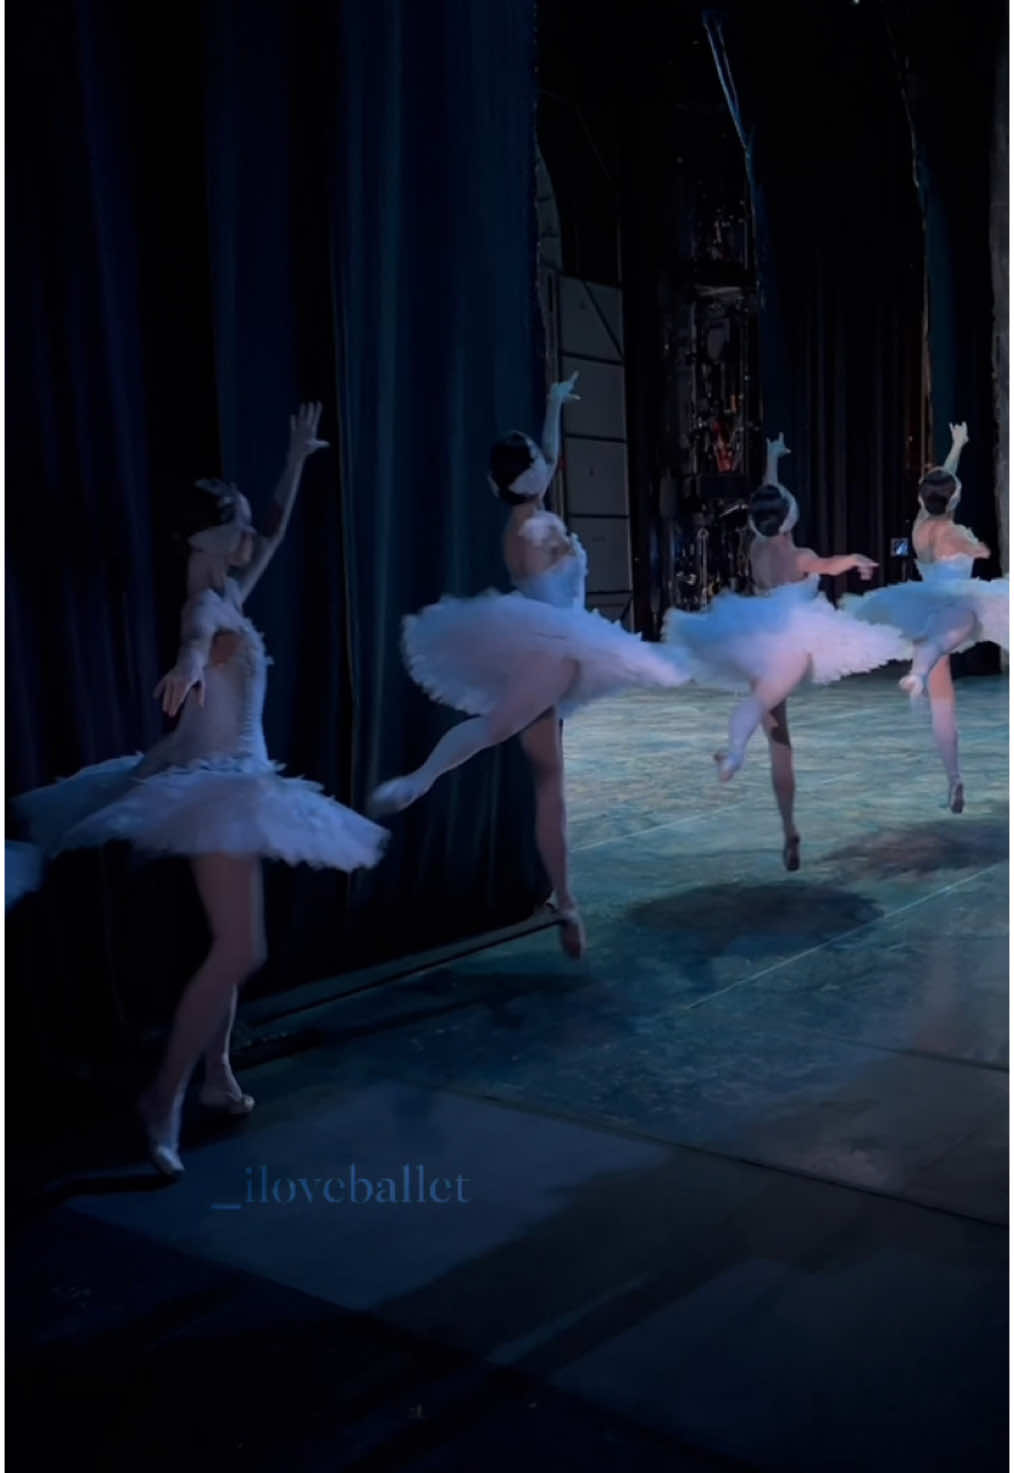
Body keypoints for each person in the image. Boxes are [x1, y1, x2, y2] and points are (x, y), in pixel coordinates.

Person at [13, 404, 388, 1175]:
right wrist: (186, 668)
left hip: (237, 780)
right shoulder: (205, 607)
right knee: (240, 945)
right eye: (236, 523)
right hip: (215, 787)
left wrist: (294, 459)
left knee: (229, 945)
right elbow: (191, 640)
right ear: (200, 537)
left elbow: (277, 532)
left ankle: (215, 1075)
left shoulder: (231, 594)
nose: (250, 532)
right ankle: (164, 1097)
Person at [370, 374, 690, 956]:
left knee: (551, 784)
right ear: (522, 481)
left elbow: (549, 459)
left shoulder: (532, 509)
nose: (549, 462)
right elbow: (544, 524)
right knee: (499, 729)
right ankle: (421, 779)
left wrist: (551, 405)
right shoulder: (529, 526)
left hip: (557, 644)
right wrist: (554, 530)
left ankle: (566, 900)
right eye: (537, 463)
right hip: (549, 646)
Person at [663, 433, 905, 869]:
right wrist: (855, 558)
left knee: (775, 734)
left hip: (758, 639)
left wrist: (772, 459)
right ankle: (742, 762)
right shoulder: (802, 557)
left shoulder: (755, 549)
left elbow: (768, 504)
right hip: (793, 641)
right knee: (774, 731)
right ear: (791, 520)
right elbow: (828, 565)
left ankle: (779, 814)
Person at [843, 422, 1008, 811]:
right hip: (956, 605)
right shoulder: (953, 534)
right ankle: (917, 673)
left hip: (926, 607)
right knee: (967, 621)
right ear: (952, 502)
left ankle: (954, 779)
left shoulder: (920, 526)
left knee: (942, 702)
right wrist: (974, 545)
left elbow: (940, 486)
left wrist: (957, 447)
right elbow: (982, 551)